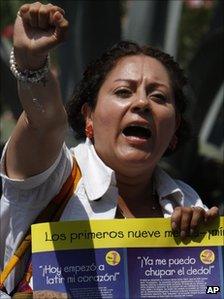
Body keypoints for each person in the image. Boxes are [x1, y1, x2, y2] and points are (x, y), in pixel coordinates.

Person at [0, 2, 219, 298]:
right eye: (123, 92)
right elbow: (45, 122)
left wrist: (204, 250)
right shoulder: (53, 178)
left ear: (174, 130)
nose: (142, 104)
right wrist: (31, 64)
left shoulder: (188, 204)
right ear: (88, 116)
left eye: (158, 97)